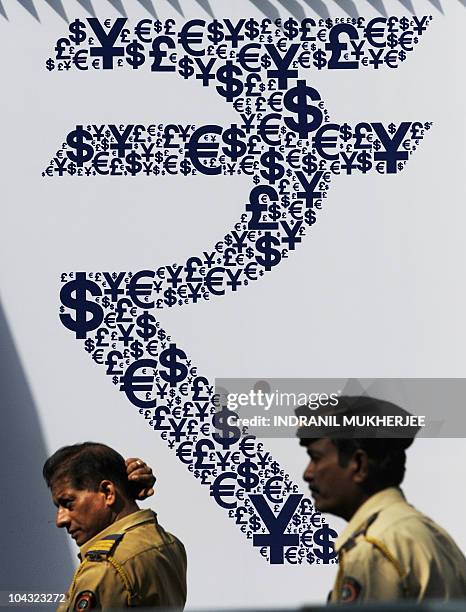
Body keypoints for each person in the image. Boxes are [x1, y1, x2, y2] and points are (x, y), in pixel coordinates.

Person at [296, 395, 466, 603]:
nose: (308, 473)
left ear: (359, 465)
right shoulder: (431, 535)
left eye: (316, 458)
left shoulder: (372, 547)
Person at [43, 442, 187, 610]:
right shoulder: (169, 543)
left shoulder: (105, 567)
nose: (60, 520)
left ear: (108, 492)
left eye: (68, 502)